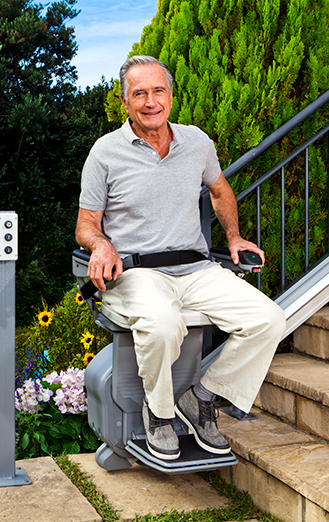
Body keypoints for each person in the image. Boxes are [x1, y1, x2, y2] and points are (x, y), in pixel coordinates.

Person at [75, 55, 286, 461]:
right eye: (139, 93)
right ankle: (158, 411)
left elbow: (220, 190)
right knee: (163, 322)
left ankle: (202, 396)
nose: (150, 101)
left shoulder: (196, 142)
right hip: (135, 274)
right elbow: (86, 223)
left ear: (171, 96)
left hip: (196, 268)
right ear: (125, 103)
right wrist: (101, 245)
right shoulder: (105, 152)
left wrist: (235, 236)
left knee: (268, 319)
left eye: (158, 91)